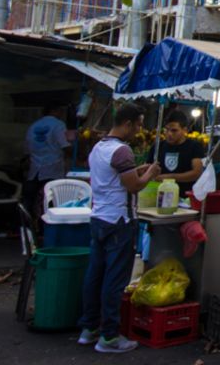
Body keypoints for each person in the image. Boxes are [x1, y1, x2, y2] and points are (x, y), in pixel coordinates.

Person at [79, 103, 161, 353]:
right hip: (119, 222)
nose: (139, 129)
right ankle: (109, 337)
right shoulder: (122, 151)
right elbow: (133, 186)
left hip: (99, 218)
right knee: (115, 280)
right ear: (127, 124)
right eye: (138, 124)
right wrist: (151, 173)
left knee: (95, 275)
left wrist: (138, 170)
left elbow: (115, 177)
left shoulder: (98, 148)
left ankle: (89, 328)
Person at [23, 103, 70, 218]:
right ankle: (46, 227)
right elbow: (64, 145)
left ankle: (26, 226)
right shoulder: (58, 125)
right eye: (61, 111)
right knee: (51, 201)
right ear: (55, 110)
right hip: (52, 167)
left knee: (30, 200)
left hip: (35, 168)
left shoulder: (33, 126)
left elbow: (27, 147)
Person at [152, 110, 205, 194]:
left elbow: (197, 173)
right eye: (166, 129)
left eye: (174, 130)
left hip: (186, 196)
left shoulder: (194, 146)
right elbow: (147, 168)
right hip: (161, 195)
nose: (169, 133)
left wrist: (169, 178)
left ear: (185, 130)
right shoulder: (158, 146)